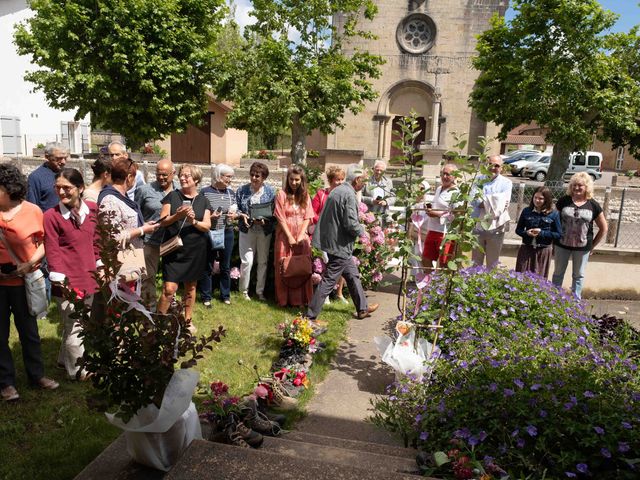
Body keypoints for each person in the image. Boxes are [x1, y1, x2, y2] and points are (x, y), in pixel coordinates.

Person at [0, 163, 58, 402]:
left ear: (9, 188)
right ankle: (6, 383)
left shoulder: (33, 211)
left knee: (29, 332)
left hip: (25, 282)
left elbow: (45, 243)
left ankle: (37, 376)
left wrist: (28, 263)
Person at [306, 164, 379, 321]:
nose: (364, 184)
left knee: (352, 275)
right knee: (328, 280)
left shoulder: (339, 191)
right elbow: (350, 223)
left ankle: (362, 308)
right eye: (364, 181)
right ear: (357, 179)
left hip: (335, 242)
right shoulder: (349, 194)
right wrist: (363, 232)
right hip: (339, 245)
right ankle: (310, 317)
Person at [44, 168, 97, 380]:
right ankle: (78, 371)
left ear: (80, 188)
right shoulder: (51, 217)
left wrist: (101, 267)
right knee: (75, 325)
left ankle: (61, 360)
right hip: (67, 281)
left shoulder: (92, 210)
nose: (62, 192)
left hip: (90, 277)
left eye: (67, 188)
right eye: (58, 188)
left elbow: (97, 241)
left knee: (76, 324)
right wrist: (61, 282)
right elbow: (52, 251)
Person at [158, 164, 212, 323]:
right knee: (169, 289)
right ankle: (159, 321)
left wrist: (193, 221)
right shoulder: (172, 196)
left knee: (191, 288)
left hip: (195, 251)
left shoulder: (203, 201)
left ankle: (187, 320)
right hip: (174, 249)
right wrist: (178, 216)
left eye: (186, 175)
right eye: (181, 175)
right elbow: (163, 221)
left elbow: (207, 226)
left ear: (196, 179)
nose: (182, 178)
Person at [97, 158, 160, 284]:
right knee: (122, 300)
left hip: (130, 258)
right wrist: (142, 230)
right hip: (119, 262)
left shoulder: (121, 196)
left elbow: (125, 224)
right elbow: (112, 237)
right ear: (129, 177)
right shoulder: (110, 199)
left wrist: (143, 225)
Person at [552, 173, 607, 299]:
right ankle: (553, 299)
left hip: (583, 247)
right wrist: (553, 241)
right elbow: (554, 221)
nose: (577, 188)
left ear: (586, 187)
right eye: (574, 185)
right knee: (558, 273)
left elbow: (604, 228)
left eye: (580, 185)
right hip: (562, 244)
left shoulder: (593, 205)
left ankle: (575, 303)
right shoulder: (564, 201)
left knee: (578, 275)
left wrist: (592, 246)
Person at [135, 159, 177, 310]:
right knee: (148, 276)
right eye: (158, 174)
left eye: (165, 175)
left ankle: (170, 306)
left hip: (172, 241)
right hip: (150, 241)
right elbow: (136, 214)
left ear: (174, 173)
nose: (161, 178)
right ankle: (148, 309)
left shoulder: (179, 191)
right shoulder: (145, 190)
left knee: (173, 276)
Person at [274, 165, 314, 307]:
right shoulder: (281, 195)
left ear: (301, 180)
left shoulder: (305, 195)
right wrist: (290, 236)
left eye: (297, 180)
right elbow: (280, 217)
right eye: (291, 179)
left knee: (301, 267)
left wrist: (302, 233)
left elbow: (308, 216)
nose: (294, 182)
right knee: (284, 267)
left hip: (301, 236)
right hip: (285, 236)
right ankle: (284, 300)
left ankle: (302, 300)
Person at [235, 162, 276, 302]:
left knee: (263, 261)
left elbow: (274, 212)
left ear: (263, 177)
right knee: (247, 261)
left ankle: (260, 292)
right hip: (246, 229)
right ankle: (244, 291)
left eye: (257, 176)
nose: (253, 178)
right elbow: (237, 208)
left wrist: (265, 221)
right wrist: (242, 215)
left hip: (264, 231)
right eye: (252, 175)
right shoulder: (242, 190)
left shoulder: (271, 192)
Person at [199, 164, 238, 306]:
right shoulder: (205, 192)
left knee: (225, 266)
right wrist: (211, 217)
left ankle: (225, 295)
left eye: (231, 177)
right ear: (218, 176)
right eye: (228, 177)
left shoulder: (231, 193)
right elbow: (199, 212)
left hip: (227, 232)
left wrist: (235, 215)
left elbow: (235, 210)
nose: (230, 180)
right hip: (210, 232)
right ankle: (206, 297)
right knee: (207, 265)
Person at [310, 166, 348, 303]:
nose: (340, 182)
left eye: (342, 179)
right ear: (330, 180)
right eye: (337, 179)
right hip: (323, 236)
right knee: (326, 263)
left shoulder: (344, 195)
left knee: (342, 263)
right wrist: (322, 222)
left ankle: (339, 293)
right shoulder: (321, 194)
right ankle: (325, 295)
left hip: (339, 237)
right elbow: (312, 213)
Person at [471, 155, 513, 268]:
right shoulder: (477, 180)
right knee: (475, 263)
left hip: (496, 228)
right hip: (477, 226)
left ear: (501, 167)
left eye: (497, 165)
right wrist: (494, 200)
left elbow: (503, 204)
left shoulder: (506, 183)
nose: (493, 168)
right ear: (485, 165)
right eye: (490, 164)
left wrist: (485, 200)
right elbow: (475, 201)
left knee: (492, 263)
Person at [514, 186, 562, 279]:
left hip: (543, 250)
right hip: (526, 248)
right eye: (535, 197)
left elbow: (558, 234)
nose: (537, 200)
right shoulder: (526, 211)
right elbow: (518, 230)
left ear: (547, 199)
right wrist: (526, 233)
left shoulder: (554, 214)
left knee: (539, 278)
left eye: (541, 198)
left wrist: (542, 233)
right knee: (521, 276)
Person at [422, 164, 459, 272]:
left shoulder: (456, 192)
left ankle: (441, 286)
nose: (445, 177)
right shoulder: (439, 189)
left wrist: (437, 214)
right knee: (426, 259)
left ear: (455, 176)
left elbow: (456, 214)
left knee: (444, 262)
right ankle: (430, 283)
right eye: (443, 174)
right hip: (433, 229)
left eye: (448, 174)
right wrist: (429, 210)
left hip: (446, 232)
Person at [27, 142, 68, 212]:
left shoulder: (68, 174)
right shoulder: (35, 178)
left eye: (65, 158)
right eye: (59, 158)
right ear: (47, 157)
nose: (63, 162)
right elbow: (32, 207)